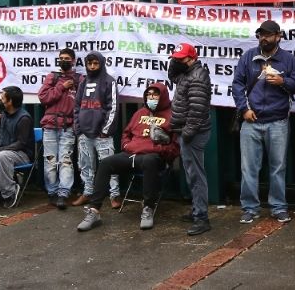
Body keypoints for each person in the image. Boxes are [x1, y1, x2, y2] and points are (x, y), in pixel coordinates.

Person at [77, 83, 178, 232]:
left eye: (155, 95)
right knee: (106, 163)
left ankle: (148, 208)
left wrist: (160, 149)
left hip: (153, 157)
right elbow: (126, 133)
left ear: (162, 96)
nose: (151, 97)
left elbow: (175, 147)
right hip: (131, 154)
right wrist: (126, 146)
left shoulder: (171, 115)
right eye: (148, 94)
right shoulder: (139, 113)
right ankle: (94, 211)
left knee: (150, 161)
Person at [232, 20, 295, 224]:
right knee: (248, 168)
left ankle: (279, 207)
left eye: (268, 34)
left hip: (278, 122)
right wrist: (244, 109)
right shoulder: (248, 57)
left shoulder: (288, 59)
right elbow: (237, 84)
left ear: (278, 36)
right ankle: (250, 208)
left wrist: (283, 82)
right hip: (251, 122)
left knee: (278, 167)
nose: (264, 38)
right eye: (261, 34)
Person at [167, 44, 213, 236]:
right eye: (176, 58)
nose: (178, 61)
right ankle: (197, 210)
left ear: (193, 58)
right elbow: (173, 76)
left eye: (181, 58)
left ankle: (201, 217)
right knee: (192, 174)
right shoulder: (187, 72)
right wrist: (175, 62)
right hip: (189, 131)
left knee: (196, 176)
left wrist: (186, 133)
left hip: (194, 133)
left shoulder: (197, 77)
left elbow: (197, 110)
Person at [71, 51, 119, 208]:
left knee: (109, 165)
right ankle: (87, 192)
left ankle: (114, 195)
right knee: (85, 165)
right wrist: (78, 128)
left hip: (102, 134)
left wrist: (105, 130)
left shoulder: (109, 81)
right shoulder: (83, 82)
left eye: (95, 63)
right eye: (89, 63)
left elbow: (112, 107)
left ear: (101, 63)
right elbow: (77, 106)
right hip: (84, 134)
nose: (92, 66)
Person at [38, 48, 82, 210]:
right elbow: (43, 97)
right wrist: (61, 87)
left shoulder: (79, 79)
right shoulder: (53, 77)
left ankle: (64, 193)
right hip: (50, 125)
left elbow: (82, 102)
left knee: (65, 160)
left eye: (67, 58)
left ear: (73, 61)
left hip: (68, 126)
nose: (63, 61)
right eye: (61, 58)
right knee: (50, 160)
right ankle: (52, 192)